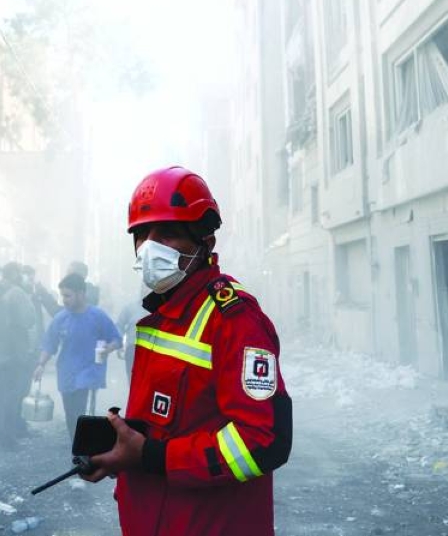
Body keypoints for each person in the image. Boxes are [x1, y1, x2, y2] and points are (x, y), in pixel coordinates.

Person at [83, 167, 292, 536]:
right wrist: (125, 449)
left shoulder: (235, 319)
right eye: (142, 234)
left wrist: (151, 456)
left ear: (205, 243)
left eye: (168, 233)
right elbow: (172, 422)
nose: (151, 247)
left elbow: (264, 441)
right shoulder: (164, 313)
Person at [32, 272, 120, 438]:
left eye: (68, 295)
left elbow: (115, 339)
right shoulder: (61, 318)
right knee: (71, 415)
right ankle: (77, 444)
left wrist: (107, 348)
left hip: (89, 372)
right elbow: (49, 344)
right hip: (66, 373)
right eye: (62, 295)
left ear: (81, 294)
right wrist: (40, 365)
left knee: (81, 412)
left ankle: (83, 449)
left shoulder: (98, 316)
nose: (64, 299)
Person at [0, 261, 39, 448]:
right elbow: (29, 320)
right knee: (12, 395)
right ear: (16, 274)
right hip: (13, 351)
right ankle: (8, 437)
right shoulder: (17, 293)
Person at [114, 297, 144, 384]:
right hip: (133, 350)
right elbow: (119, 325)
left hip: (153, 353)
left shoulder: (161, 307)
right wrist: (119, 344)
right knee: (132, 383)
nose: (145, 289)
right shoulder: (130, 308)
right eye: (143, 286)